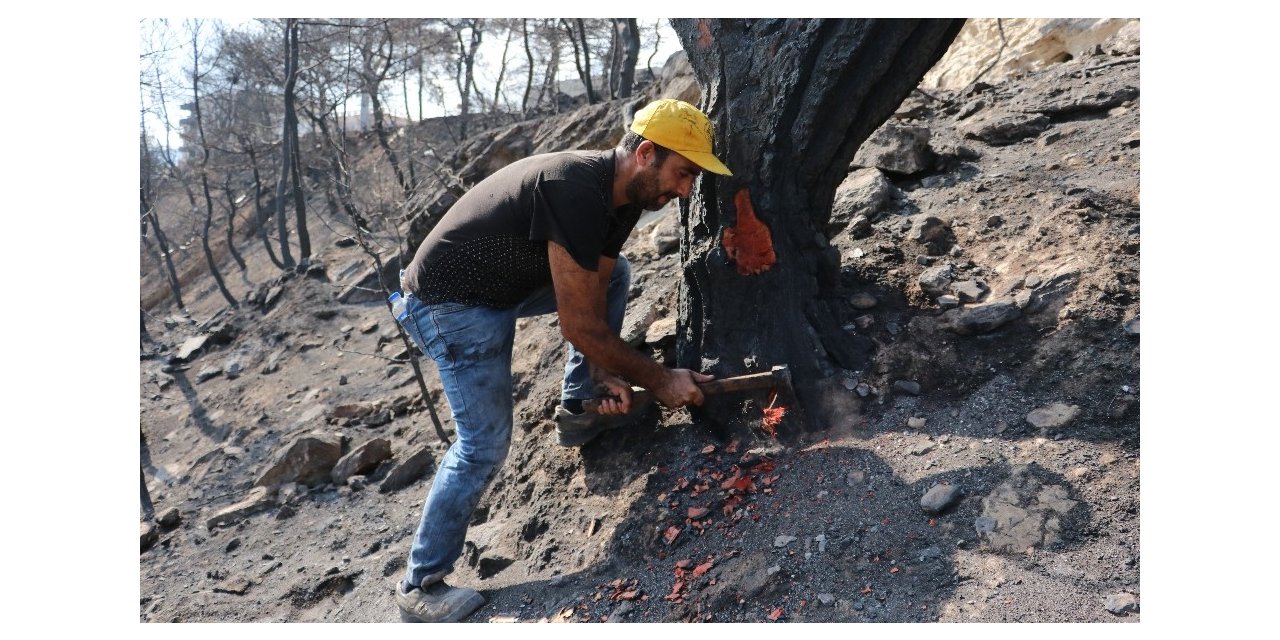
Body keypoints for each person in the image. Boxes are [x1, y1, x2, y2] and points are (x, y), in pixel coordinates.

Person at [391, 98, 734, 622]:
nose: (687, 190)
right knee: (482, 445)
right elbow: (578, 326)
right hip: (449, 305)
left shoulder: (622, 200)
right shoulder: (575, 189)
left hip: (499, 289)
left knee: (614, 278)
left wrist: (603, 371)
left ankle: (580, 405)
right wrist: (661, 380)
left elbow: (592, 293)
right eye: (684, 173)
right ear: (645, 154)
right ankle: (421, 586)